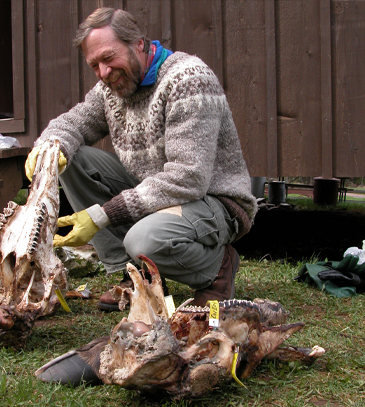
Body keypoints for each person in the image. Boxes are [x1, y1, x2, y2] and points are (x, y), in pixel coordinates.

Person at [25, 7, 257, 313]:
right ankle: (134, 274)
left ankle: (219, 269)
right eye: (94, 65)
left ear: (138, 43)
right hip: (158, 192)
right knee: (71, 158)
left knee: (144, 241)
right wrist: (48, 149)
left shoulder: (188, 79)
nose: (104, 73)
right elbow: (74, 123)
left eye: (108, 58)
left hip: (212, 200)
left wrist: (102, 215)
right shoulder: (110, 90)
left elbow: (187, 178)